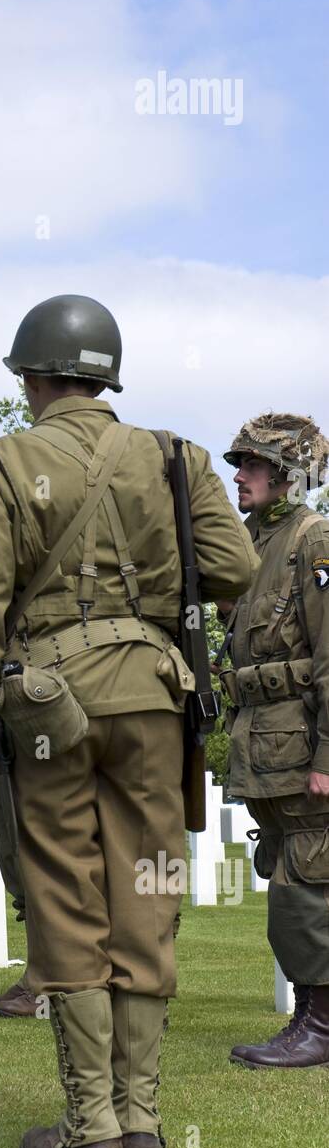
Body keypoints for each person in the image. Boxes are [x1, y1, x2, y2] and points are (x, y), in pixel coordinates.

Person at [0, 294, 256, 1148]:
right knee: (148, 892)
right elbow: (236, 568)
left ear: (31, 376)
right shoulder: (175, 457)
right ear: (105, 375)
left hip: (50, 710)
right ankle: (142, 1122)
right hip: (155, 701)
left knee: (67, 900)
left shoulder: (6, 462)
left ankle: (92, 1126)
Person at [219, 415, 329, 1068]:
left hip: (300, 752)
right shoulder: (255, 544)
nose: (239, 475)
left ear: (288, 476)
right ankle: (308, 1017)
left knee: (306, 888)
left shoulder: (314, 542)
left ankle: (321, 1025)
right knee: (294, 882)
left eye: (252, 465)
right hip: (264, 745)